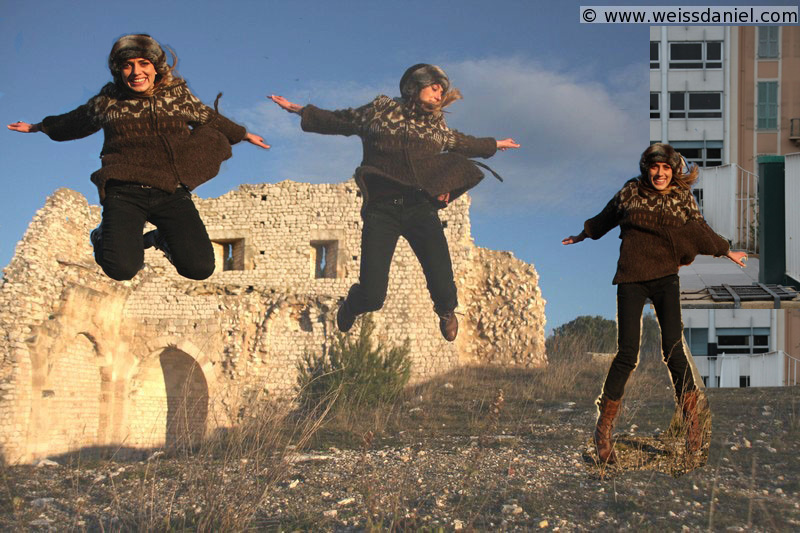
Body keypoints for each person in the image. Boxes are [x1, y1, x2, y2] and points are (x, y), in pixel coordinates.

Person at [270, 63, 519, 341]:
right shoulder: (378, 111)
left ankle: (447, 311)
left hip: (419, 206)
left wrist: (494, 144)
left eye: (442, 91)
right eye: (434, 88)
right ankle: (353, 303)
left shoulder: (436, 125)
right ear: (416, 85)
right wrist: (300, 110)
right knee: (373, 295)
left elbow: (462, 142)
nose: (439, 95)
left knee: (444, 284)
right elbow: (340, 120)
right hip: (382, 210)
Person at [8, 34, 269, 281]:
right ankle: (101, 238)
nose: (136, 72)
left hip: (170, 191)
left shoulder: (178, 96)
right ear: (118, 70)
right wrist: (39, 126)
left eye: (143, 63)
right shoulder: (108, 101)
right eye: (127, 66)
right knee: (121, 268)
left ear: (156, 67)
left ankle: (160, 238)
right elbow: (75, 120)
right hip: (124, 190)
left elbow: (208, 117)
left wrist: (244, 134)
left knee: (199, 268)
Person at [562, 143, 748, 463]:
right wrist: (584, 234)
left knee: (673, 349)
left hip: (665, 278)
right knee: (627, 353)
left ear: (673, 170)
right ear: (646, 167)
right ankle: (603, 430)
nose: (659, 174)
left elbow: (700, 230)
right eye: (654, 167)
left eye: (665, 168)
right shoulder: (630, 192)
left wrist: (726, 250)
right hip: (631, 278)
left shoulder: (681, 198)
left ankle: (692, 426)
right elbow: (606, 217)